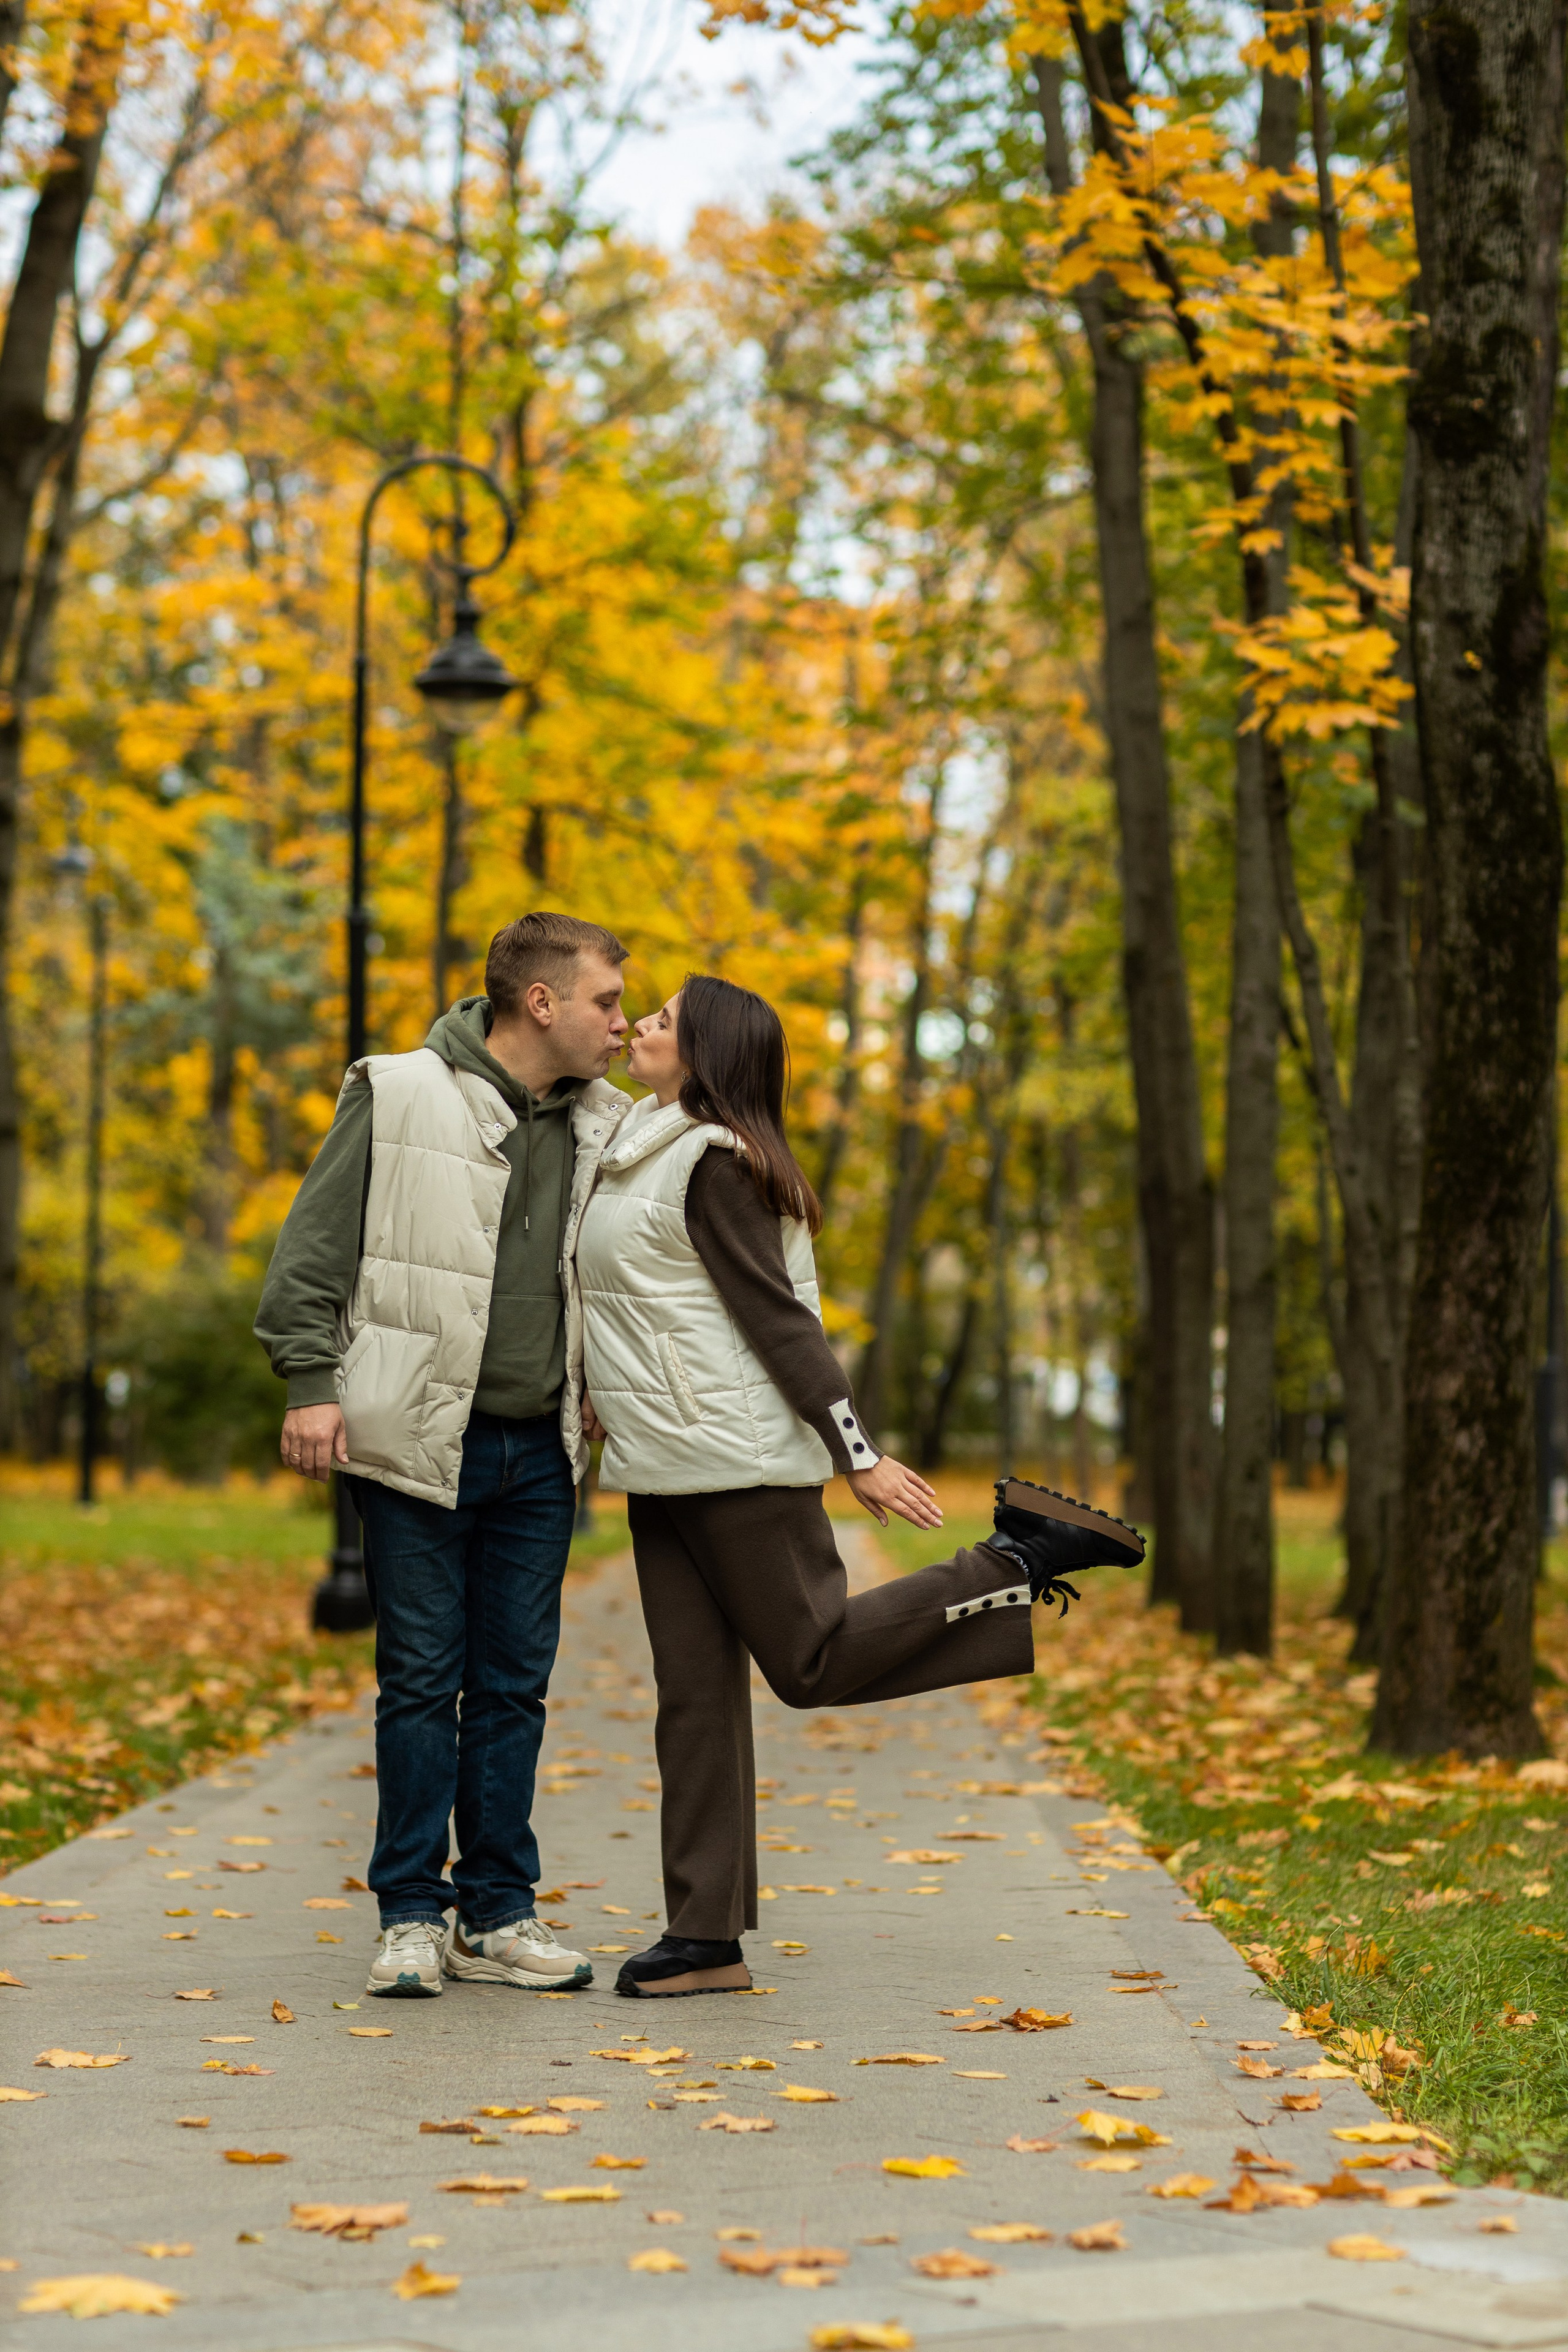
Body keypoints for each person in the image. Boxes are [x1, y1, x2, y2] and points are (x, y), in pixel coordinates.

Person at [571, 973, 1143, 1997]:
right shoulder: (636, 1151)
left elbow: (781, 1319)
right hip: (663, 1470)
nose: (639, 1030)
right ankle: (704, 1937)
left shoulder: (716, 1165)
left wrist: (857, 1452)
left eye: (659, 1022)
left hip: (741, 1464)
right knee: (694, 1701)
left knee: (810, 1660)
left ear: (706, 1057)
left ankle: (1013, 1559)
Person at [255, 911, 635, 1998]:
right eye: (606, 1001)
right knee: (420, 1682)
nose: (619, 1023)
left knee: (514, 1688)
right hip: (420, 1435)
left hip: (544, 1452)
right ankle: (411, 1916)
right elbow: (313, 1251)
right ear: (543, 1003)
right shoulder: (399, 1088)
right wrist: (309, 1385)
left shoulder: (612, 1125)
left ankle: (499, 1914)